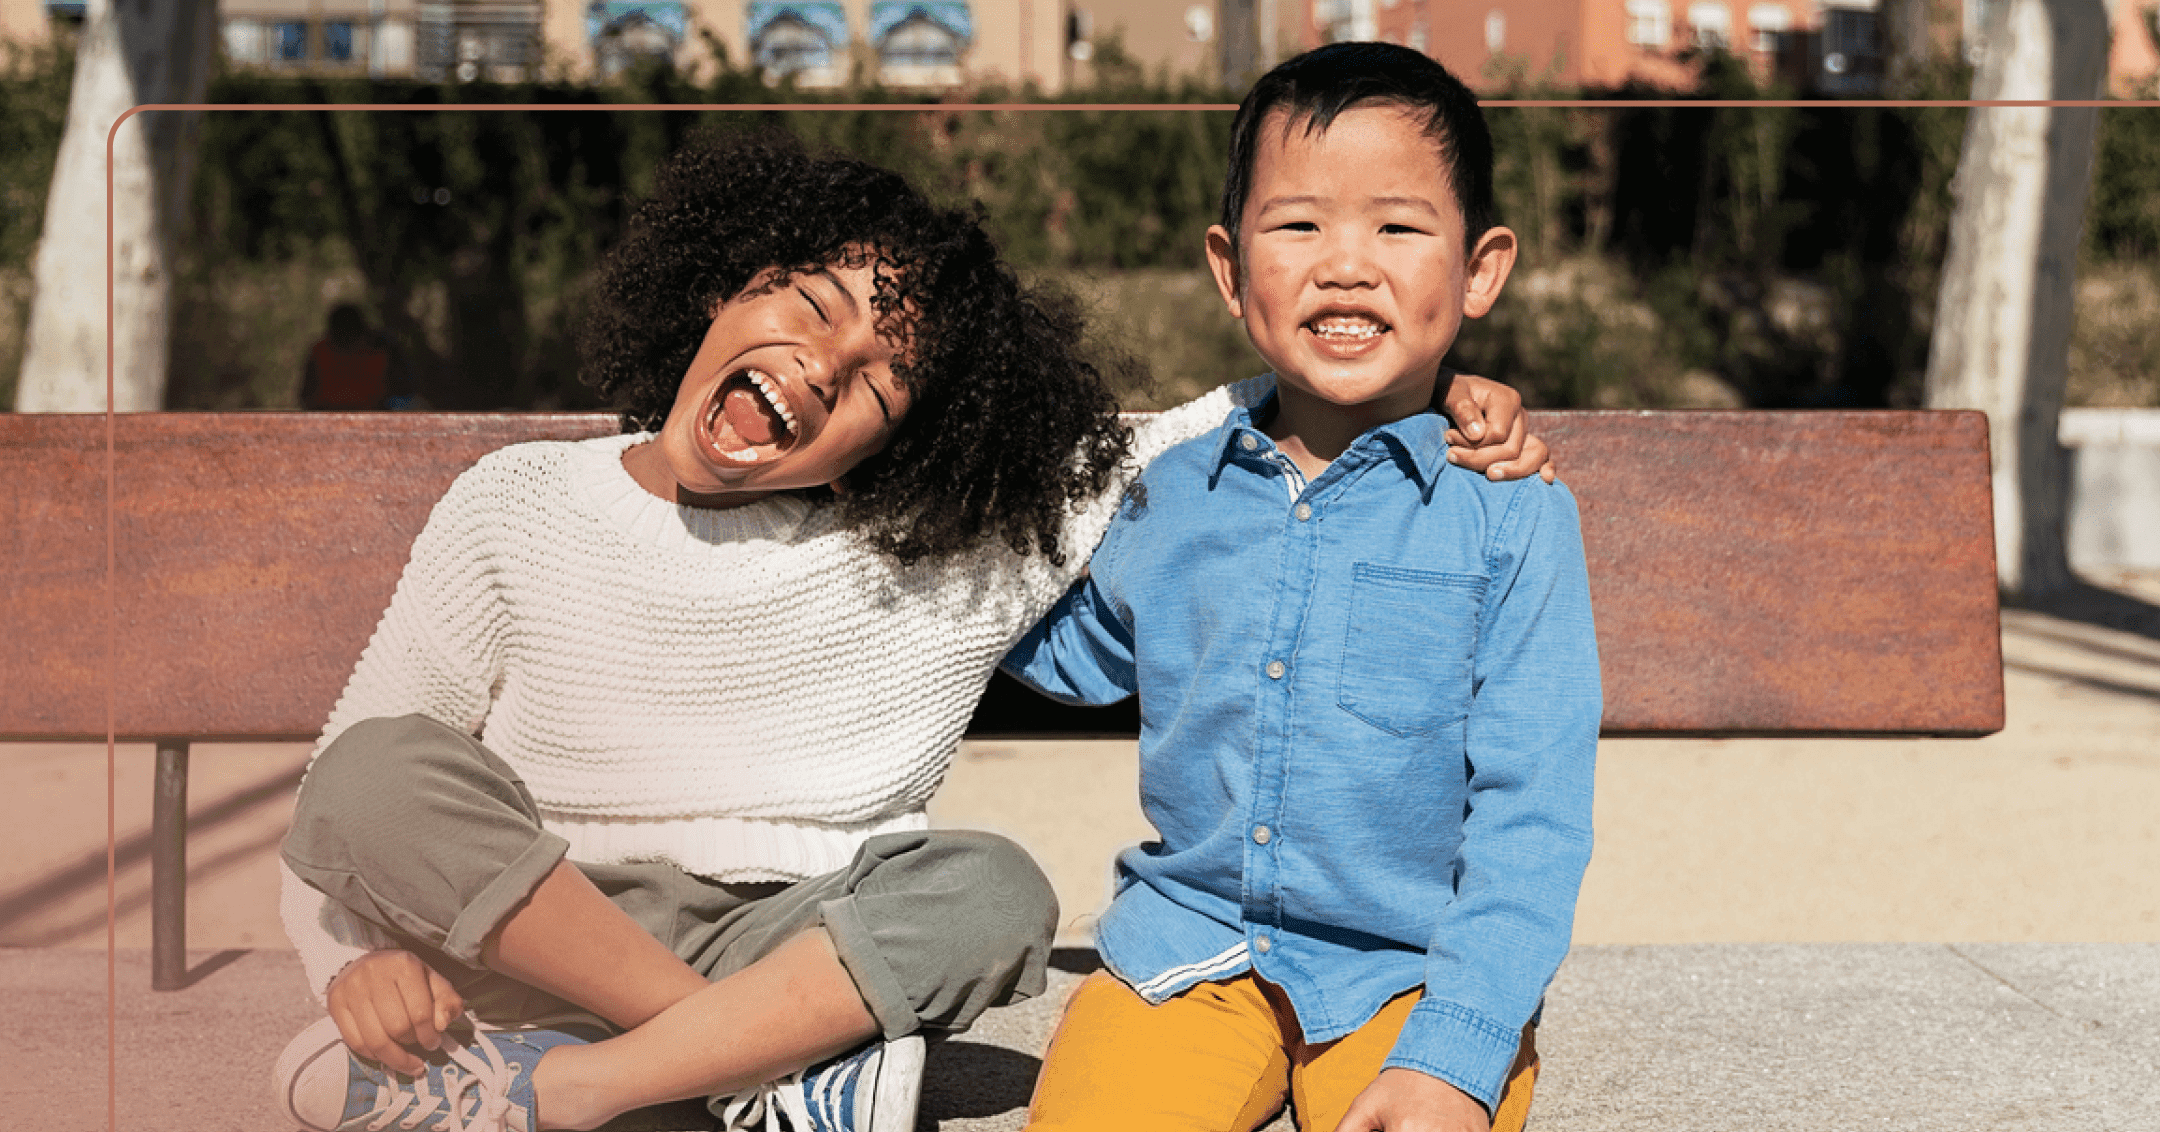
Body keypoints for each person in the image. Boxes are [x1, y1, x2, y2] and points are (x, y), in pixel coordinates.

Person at [270, 131, 1554, 1132]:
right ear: (723, 283)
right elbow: (346, 790)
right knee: (376, 772)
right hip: (534, 928)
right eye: (810, 304)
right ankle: (740, 1074)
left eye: (882, 377)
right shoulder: (518, 498)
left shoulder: (951, 545)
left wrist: (1433, 399)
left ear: (906, 433)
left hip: (792, 939)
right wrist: (349, 959)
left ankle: (580, 1091)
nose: (823, 365)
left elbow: (1194, 420)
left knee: (991, 887)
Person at [1002, 43, 1600, 1132]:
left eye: (1397, 226)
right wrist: (923, 517)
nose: (1345, 265)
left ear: (1479, 269)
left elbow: (1534, 813)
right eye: (1299, 225)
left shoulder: (1507, 507)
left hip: (1410, 975)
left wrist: (1457, 1052)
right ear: (1231, 271)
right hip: (1189, 952)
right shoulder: (1170, 492)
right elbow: (1061, 651)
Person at [299, 303, 415, 410]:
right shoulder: (320, 352)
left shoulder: (381, 350)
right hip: (329, 419)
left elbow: (404, 392)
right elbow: (307, 397)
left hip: (373, 418)